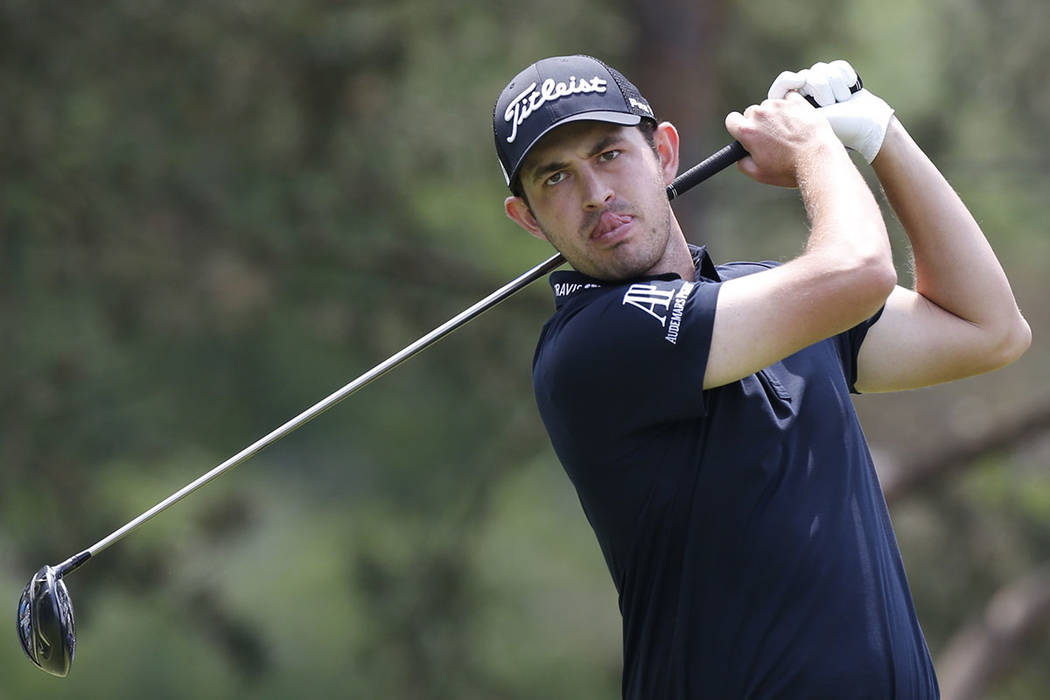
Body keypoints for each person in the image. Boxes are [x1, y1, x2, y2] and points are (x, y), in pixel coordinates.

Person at [492, 55, 1031, 699]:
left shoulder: (769, 300)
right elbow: (859, 270)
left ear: (665, 154)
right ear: (527, 218)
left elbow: (988, 328)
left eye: (609, 153)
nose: (595, 193)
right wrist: (815, 148)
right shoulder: (591, 344)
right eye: (555, 177)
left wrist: (884, 137)